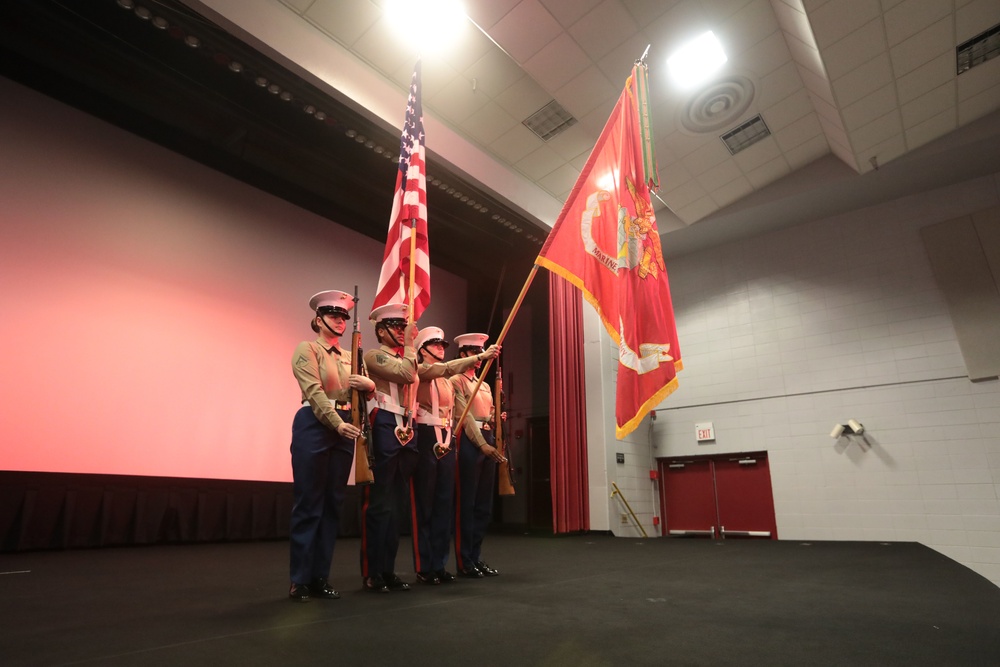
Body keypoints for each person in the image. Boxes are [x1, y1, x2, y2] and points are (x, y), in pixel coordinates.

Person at [288, 290, 376, 602]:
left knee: (332, 506)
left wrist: (370, 386)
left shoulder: (351, 356)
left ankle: (320, 577)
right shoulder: (308, 349)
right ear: (318, 319)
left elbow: (365, 395)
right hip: (316, 424)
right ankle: (300, 579)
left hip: (345, 427)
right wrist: (336, 424)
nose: (339, 321)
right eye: (334, 315)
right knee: (309, 504)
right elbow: (314, 391)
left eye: (343, 317)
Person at [410, 326, 499, 585]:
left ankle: (438, 564)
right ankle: (424, 565)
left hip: (447, 437)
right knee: (425, 504)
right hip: (426, 435)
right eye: (435, 344)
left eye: (442, 344)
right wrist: (479, 358)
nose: (440, 348)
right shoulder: (421, 370)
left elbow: (461, 409)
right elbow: (446, 369)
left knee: (443, 505)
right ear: (422, 349)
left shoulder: (447, 381)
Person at [360, 302, 419, 593]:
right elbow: (406, 374)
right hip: (383, 420)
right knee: (380, 502)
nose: (401, 331)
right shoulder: (373, 356)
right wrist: (410, 344)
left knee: (398, 505)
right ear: (380, 330)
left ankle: (389, 569)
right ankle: (373, 571)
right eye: (396, 326)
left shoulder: (408, 357)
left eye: (403, 326)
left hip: (407, 425)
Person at [450, 333, 506, 578]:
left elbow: (488, 414)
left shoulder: (483, 383)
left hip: (487, 438)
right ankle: (464, 561)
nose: (478, 358)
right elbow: (465, 416)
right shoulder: (456, 380)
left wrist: (497, 419)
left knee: (483, 505)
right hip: (471, 441)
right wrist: (482, 443)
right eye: (474, 352)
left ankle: (476, 556)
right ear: (463, 354)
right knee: (467, 503)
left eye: (480, 352)